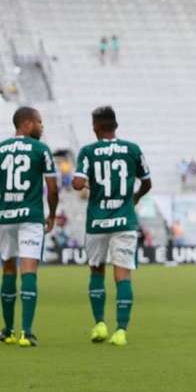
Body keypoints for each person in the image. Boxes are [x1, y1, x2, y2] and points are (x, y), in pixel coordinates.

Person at [72, 106, 152, 346]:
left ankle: (99, 324)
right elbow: (147, 182)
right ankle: (121, 331)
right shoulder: (132, 149)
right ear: (115, 126)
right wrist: (134, 198)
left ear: (95, 127)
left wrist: (88, 185)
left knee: (96, 271)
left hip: (97, 221)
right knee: (123, 275)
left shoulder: (88, 151)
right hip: (124, 220)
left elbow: (77, 183)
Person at [0, 107, 58, 347]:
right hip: (31, 217)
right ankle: (26, 332)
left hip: (5, 217)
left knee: (8, 268)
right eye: (39, 122)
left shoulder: (1, 148)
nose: (42, 126)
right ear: (26, 124)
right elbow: (52, 188)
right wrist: (52, 214)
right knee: (29, 270)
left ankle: (8, 331)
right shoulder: (41, 149)